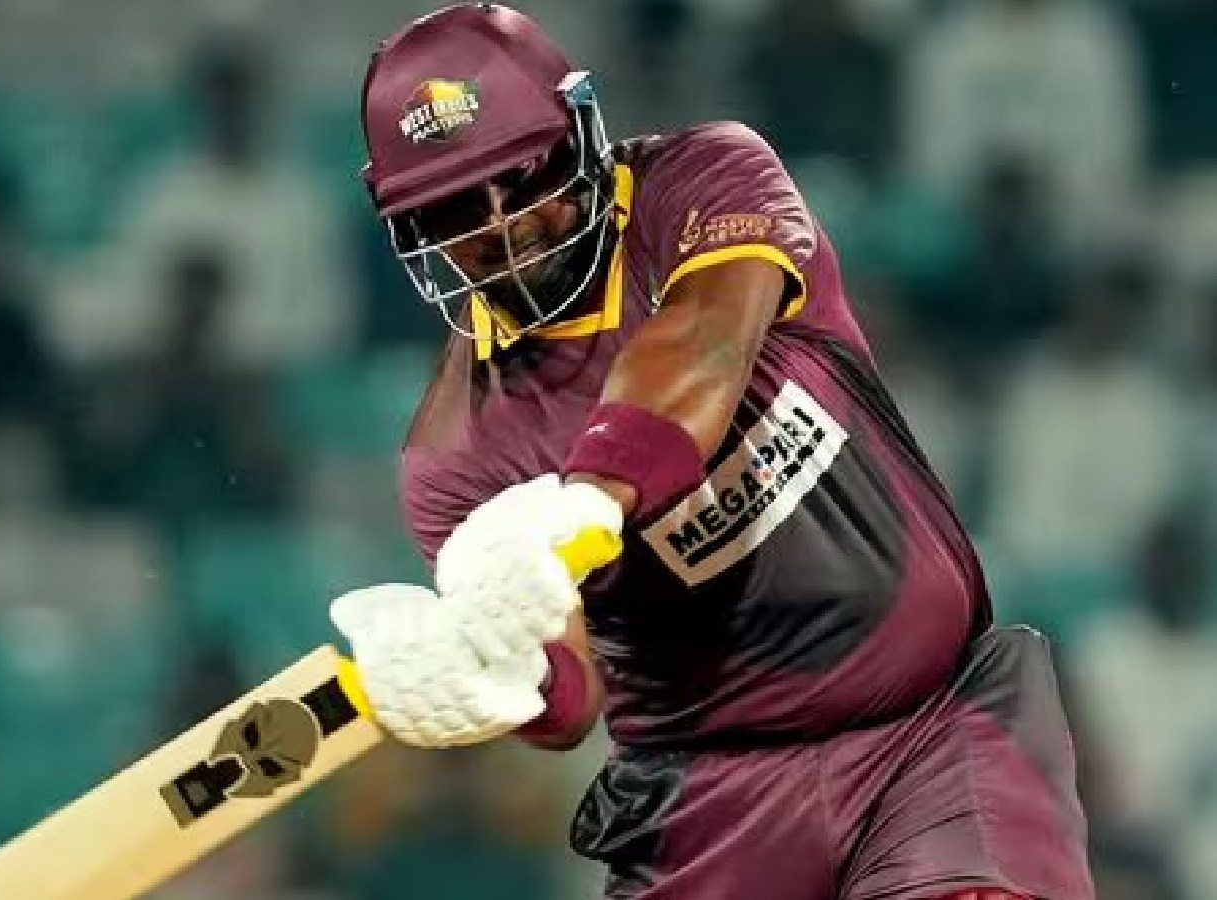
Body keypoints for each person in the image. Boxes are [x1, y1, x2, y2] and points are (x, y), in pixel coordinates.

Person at [327, 5, 1094, 899]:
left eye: (525, 174)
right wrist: (483, 676)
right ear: (413, 228)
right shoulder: (454, 458)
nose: (503, 224)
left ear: (579, 132)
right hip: (702, 808)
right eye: (457, 205)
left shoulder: (704, 178)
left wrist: (589, 499)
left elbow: (705, 341)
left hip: (930, 731)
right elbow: (570, 701)